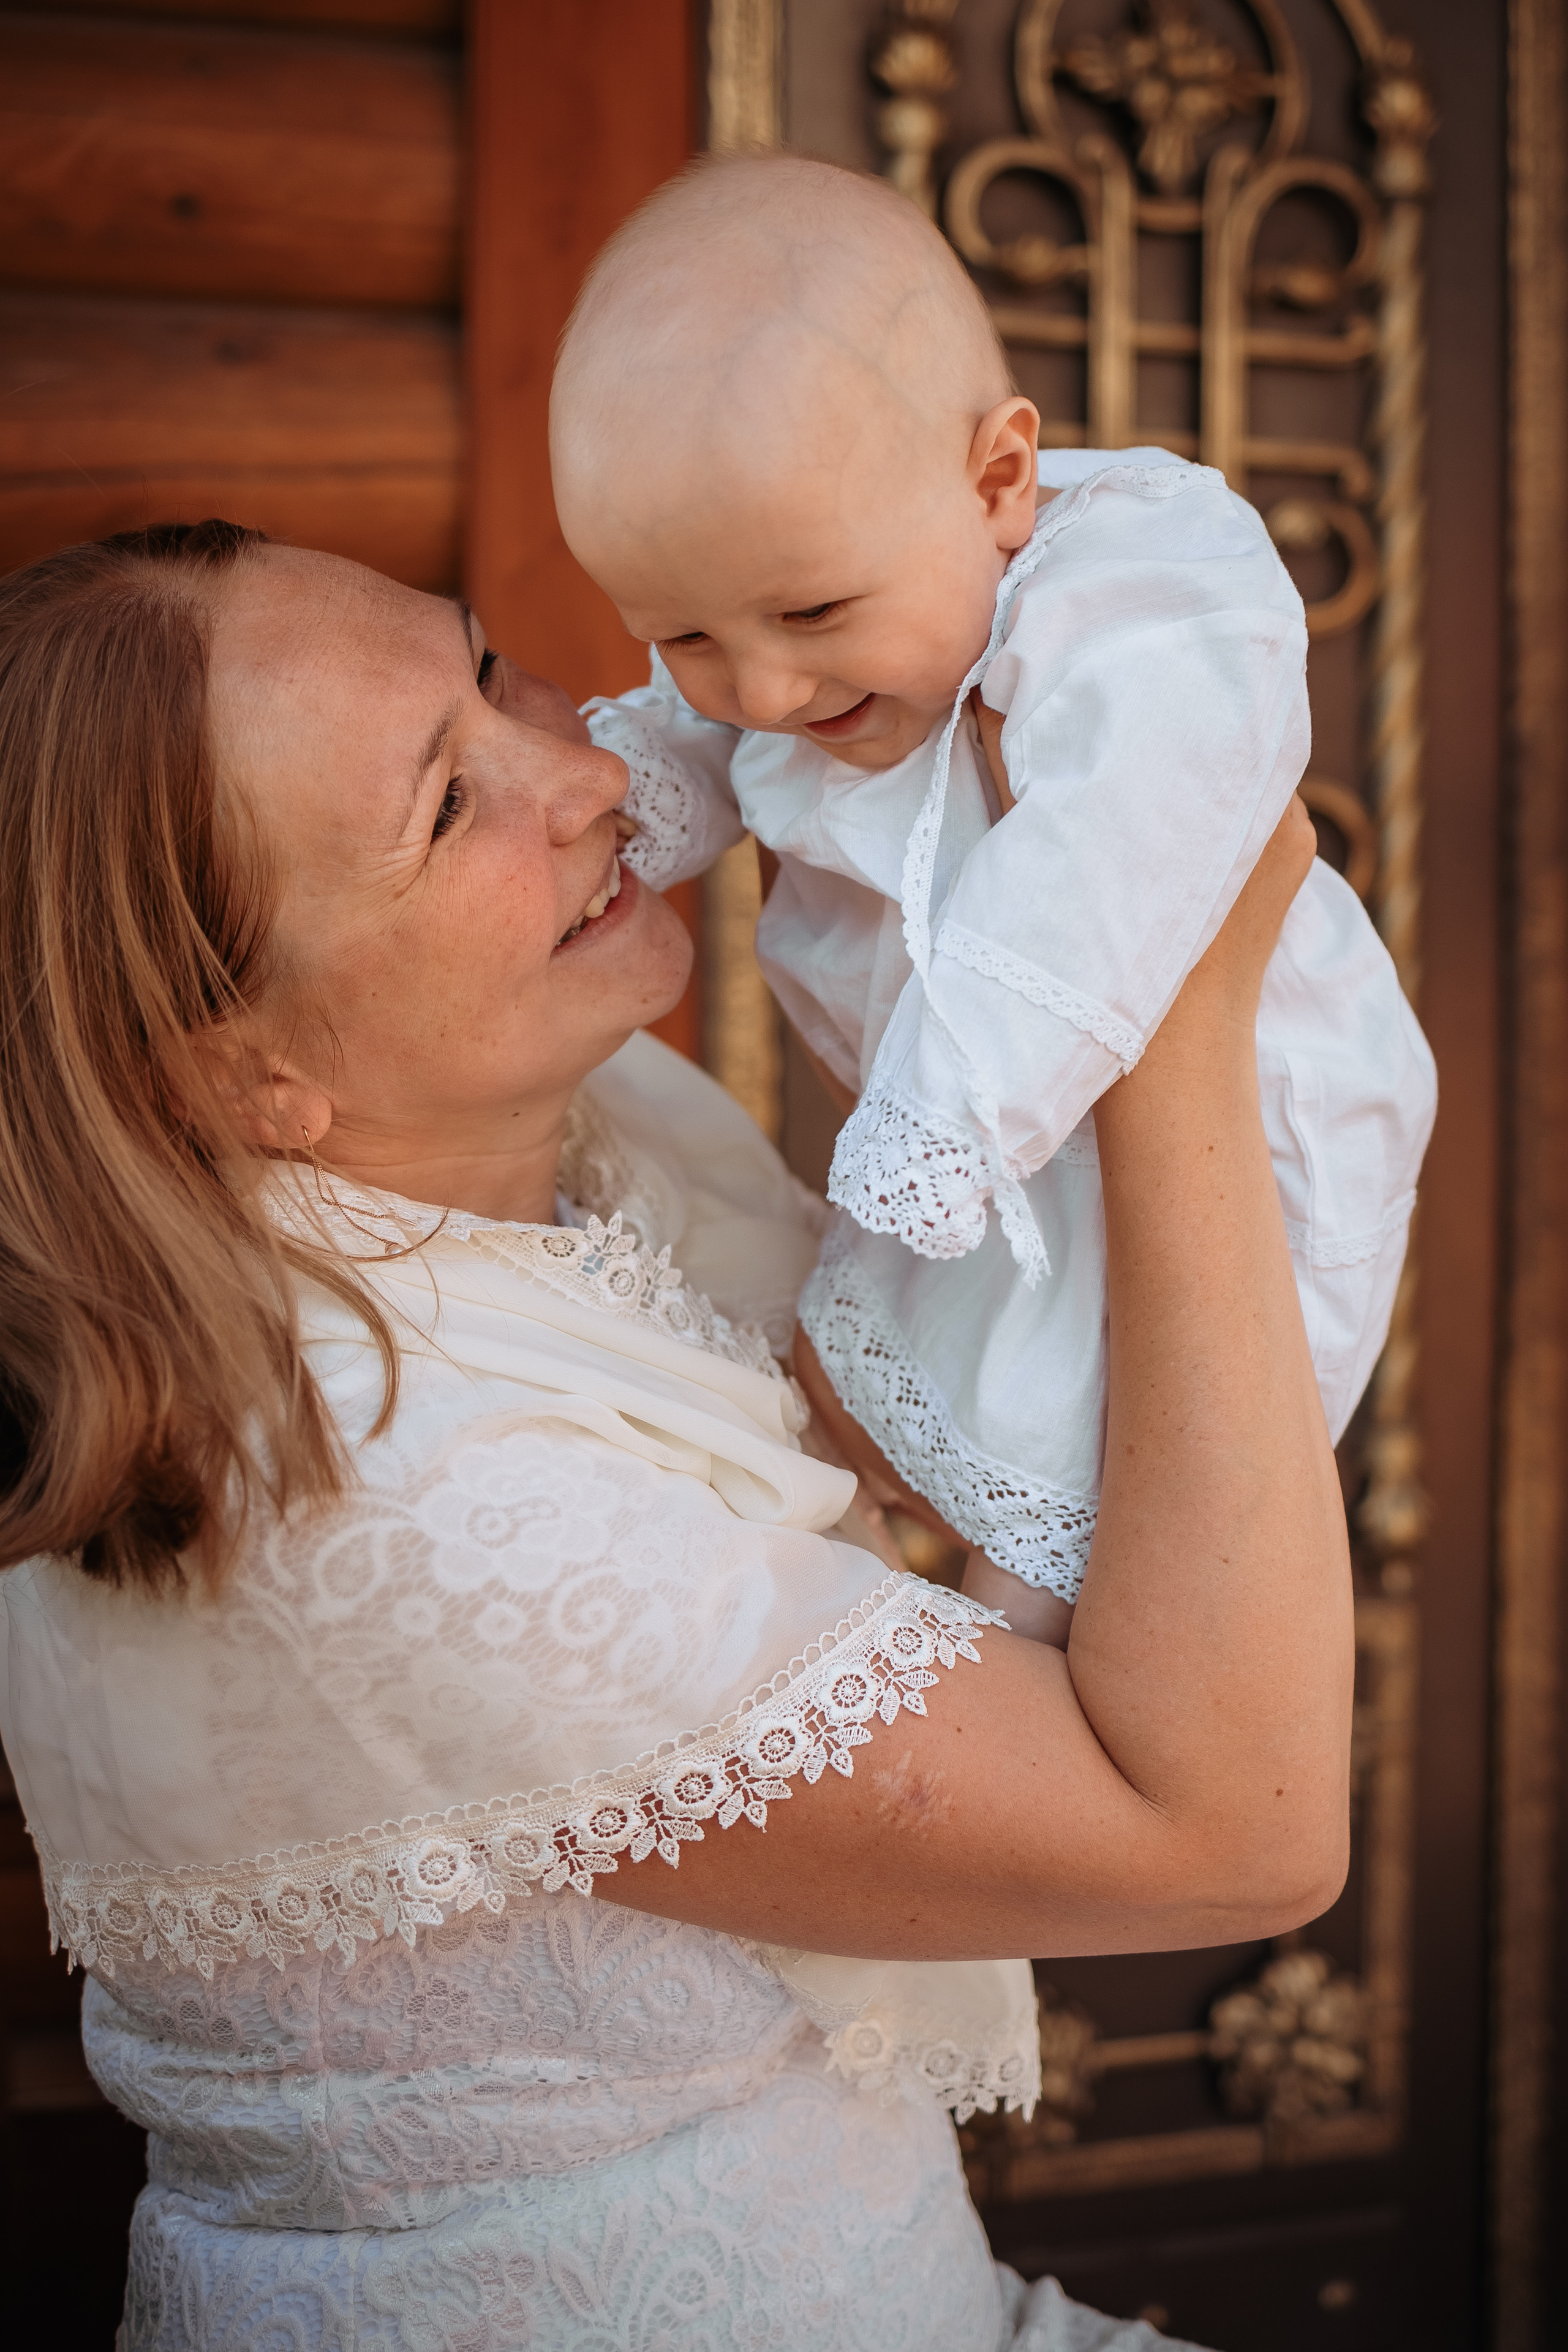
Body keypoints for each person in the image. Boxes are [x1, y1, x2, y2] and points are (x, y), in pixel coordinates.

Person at [0, 521, 1349, 2351]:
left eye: (486, 670)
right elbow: (1234, 1830)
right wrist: (1168, 1006)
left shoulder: (556, 1128)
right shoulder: (386, 1498)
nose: (577, 769)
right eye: (443, 811)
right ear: (238, 1074)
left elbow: (867, 1399)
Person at [552, 154, 1435, 1644]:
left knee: (1100, 1475)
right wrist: (613, 809)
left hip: (1225, 1102)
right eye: (684, 630)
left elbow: (1116, 851)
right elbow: (679, 738)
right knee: (932, 1400)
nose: (763, 688)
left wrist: (944, 1116)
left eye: (814, 614)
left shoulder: (1133, 592)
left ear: (998, 479)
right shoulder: (793, 609)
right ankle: (933, 1685)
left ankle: (1065, 1732)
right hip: (1010, 1135)